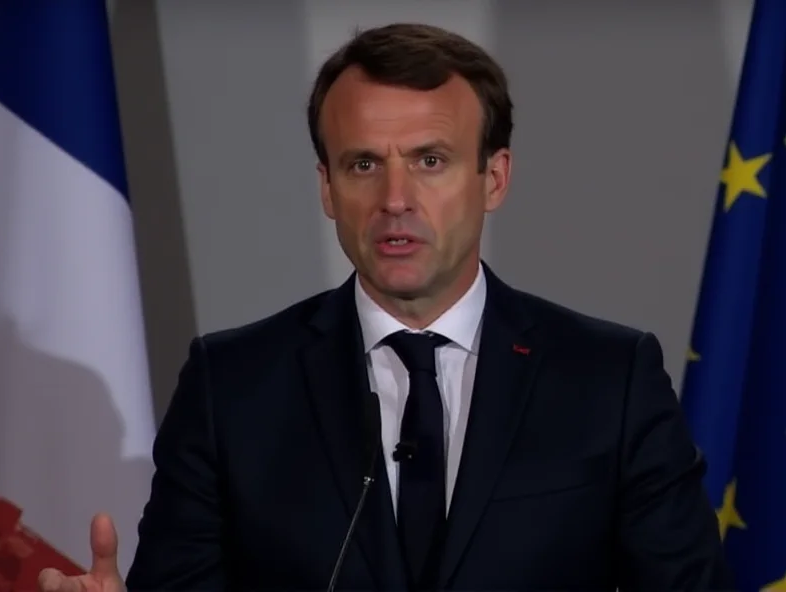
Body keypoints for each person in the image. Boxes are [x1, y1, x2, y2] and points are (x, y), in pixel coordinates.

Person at [38, 23, 733, 592]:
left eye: (430, 160)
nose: (395, 198)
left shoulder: (609, 379)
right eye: (363, 164)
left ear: (493, 178)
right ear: (328, 188)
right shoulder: (233, 385)